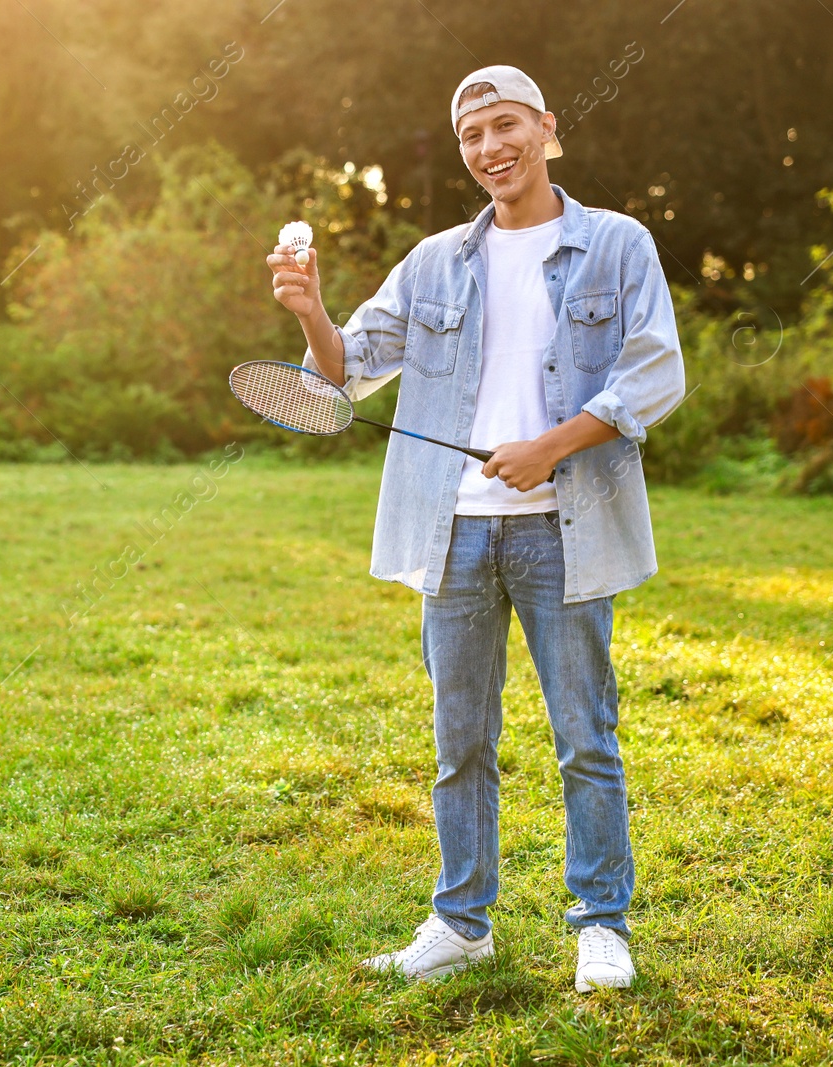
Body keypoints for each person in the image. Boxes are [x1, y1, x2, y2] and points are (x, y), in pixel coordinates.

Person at [266, 64, 685, 992]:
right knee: (460, 743)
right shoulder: (433, 261)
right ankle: (461, 923)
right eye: (471, 136)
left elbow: (656, 370)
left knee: (586, 736)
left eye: (505, 126)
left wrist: (552, 446)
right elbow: (342, 376)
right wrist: (310, 313)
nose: (490, 148)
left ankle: (601, 925)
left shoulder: (616, 244)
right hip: (452, 532)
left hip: (565, 528)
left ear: (546, 126)